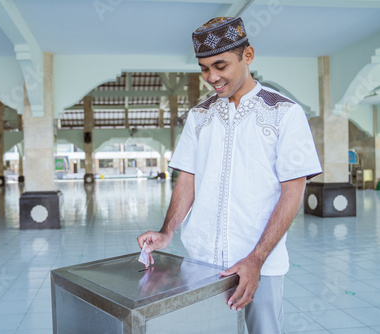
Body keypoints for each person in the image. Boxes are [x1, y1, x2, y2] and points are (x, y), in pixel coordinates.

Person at [137, 17, 322, 334]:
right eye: (204, 68)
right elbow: (187, 179)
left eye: (220, 65)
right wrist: (167, 232)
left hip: (260, 261)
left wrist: (256, 260)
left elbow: (293, 192)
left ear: (248, 55)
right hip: (201, 262)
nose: (212, 77)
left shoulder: (284, 113)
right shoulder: (200, 116)